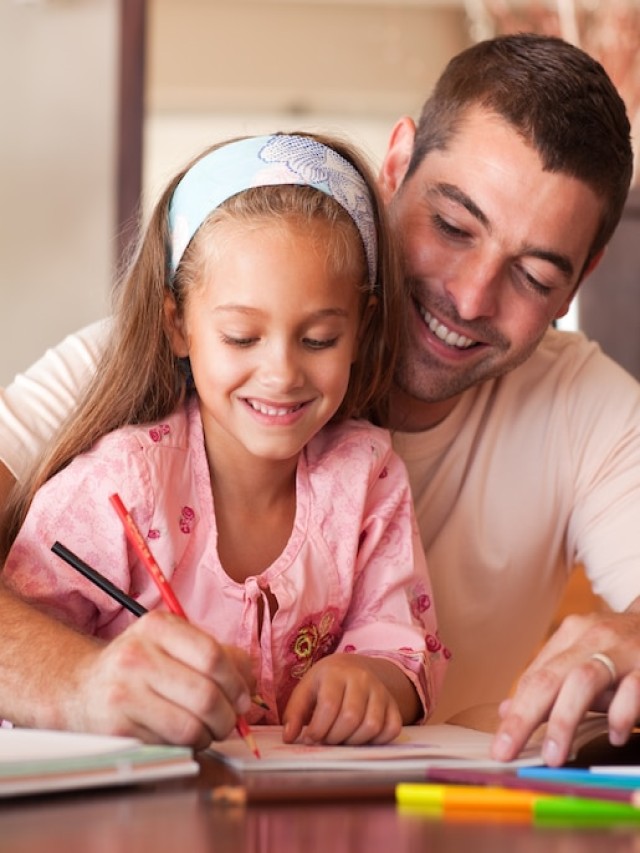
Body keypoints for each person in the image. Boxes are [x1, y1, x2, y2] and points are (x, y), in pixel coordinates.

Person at [0, 32, 638, 765]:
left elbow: (399, 644)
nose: (469, 296)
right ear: (396, 166)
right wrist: (78, 678)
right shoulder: (127, 381)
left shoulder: (571, 413)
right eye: (453, 226)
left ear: (583, 276)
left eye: (533, 274)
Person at [0, 132, 446, 748]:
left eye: (319, 339)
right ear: (177, 324)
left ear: (362, 328)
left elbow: (401, 641)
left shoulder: (367, 476)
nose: (282, 374)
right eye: (242, 337)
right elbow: (23, 666)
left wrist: (372, 678)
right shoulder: (119, 484)